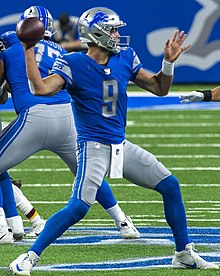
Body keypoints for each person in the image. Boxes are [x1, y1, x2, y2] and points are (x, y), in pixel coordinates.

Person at [10, 7, 219, 275]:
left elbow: (159, 88)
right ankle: (27, 257)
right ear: (96, 34)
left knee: (170, 185)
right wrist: (28, 49)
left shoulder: (125, 57)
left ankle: (183, 253)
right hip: (93, 146)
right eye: (113, 29)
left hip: (121, 145)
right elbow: (41, 88)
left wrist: (168, 64)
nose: (118, 35)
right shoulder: (73, 62)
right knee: (78, 208)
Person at [0, 5, 139, 246]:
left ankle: (5, 227)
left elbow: (5, 90)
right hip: (68, 118)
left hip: (33, 117)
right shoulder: (58, 50)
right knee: (88, 175)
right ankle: (123, 222)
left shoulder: (12, 48)